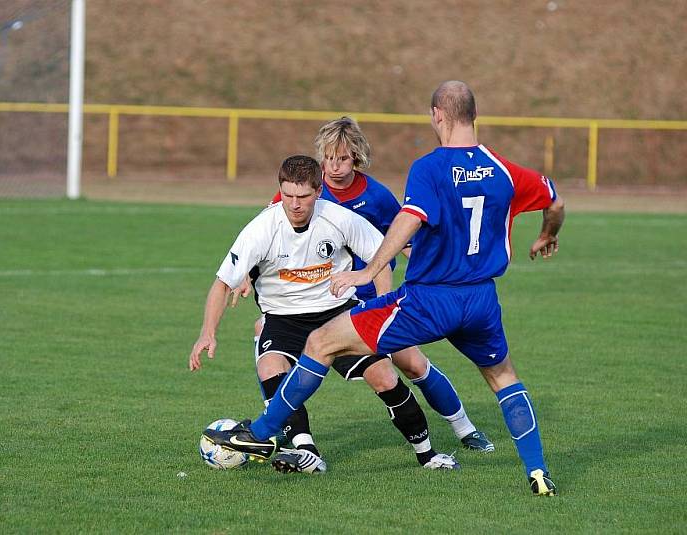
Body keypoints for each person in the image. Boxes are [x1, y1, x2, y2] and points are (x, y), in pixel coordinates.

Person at [204, 81, 566, 497]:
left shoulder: (429, 169)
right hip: (482, 299)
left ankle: (262, 433)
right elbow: (554, 201)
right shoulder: (505, 170)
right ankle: (537, 472)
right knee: (504, 378)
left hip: (429, 298)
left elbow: (410, 219)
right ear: (474, 115)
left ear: (437, 116)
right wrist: (546, 234)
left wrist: (368, 271)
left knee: (322, 341)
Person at [235, 117, 493, 454]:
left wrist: (414, 282)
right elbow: (266, 238)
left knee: (412, 362)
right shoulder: (307, 189)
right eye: (328, 158)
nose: (334, 166)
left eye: (342, 158)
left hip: (370, 298)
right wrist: (245, 275)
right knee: (267, 339)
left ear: (356, 157)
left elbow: (407, 238)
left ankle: (465, 428)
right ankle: (287, 431)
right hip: (322, 301)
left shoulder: (377, 197)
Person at [190, 155, 459, 474]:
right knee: (271, 370)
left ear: (318, 191)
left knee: (384, 376)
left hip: (337, 315)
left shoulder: (339, 219)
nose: (294, 204)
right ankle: (307, 452)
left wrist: (383, 307)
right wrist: (208, 332)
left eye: (302, 196)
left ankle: (427, 454)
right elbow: (222, 283)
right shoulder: (261, 228)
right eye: (288, 195)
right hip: (283, 319)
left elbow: (381, 259)